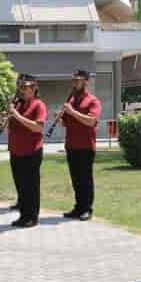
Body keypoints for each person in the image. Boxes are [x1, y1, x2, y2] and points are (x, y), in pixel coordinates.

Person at [60, 69, 101, 220]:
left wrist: (72, 112)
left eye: (78, 80)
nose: (75, 83)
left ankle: (87, 209)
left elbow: (91, 121)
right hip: (71, 145)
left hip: (85, 146)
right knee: (76, 179)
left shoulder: (92, 101)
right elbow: (67, 123)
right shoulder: (71, 100)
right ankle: (78, 207)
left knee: (85, 179)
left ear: (85, 82)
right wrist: (61, 120)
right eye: (73, 80)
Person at [7, 78, 47, 228]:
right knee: (20, 185)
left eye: (25, 87)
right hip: (16, 150)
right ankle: (23, 215)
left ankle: (32, 217)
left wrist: (16, 116)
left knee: (31, 186)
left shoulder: (39, 105)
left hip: (32, 151)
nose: (21, 90)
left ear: (34, 88)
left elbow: (38, 127)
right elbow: (9, 129)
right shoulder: (18, 105)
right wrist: (7, 118)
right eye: (20, 87)